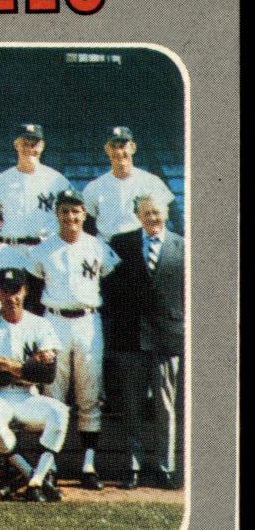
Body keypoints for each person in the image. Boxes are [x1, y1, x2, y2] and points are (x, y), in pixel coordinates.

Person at [26, 189, 120, 490]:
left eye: (76, 211)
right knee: (53, 392)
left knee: (88, 392)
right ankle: (49, 465)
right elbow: (33, 290)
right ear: (57, 214)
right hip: (54, 321)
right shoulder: (42, 250)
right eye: (65, 211)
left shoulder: (98, 246)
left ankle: (88, 464)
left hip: (88, 321)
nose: (70, 217)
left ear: (84, 214)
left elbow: (112, 283)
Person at [0, 268, 68, 503]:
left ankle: (35, 481)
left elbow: (48, 374)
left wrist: (6, 364)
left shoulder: (40, 324)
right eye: (6, 291)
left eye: (16, 290)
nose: (12, 297)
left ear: (25, 291)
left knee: (60, 412)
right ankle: (32, 476)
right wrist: (28, 367)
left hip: (27, 395)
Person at [103, 195, 184, 489]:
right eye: (147, 213)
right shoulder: (121, 244)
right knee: (132, 405)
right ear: (137, 215)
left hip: (167, 337)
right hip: (130, 337)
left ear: (166, 214)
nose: (153, 218)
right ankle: (133, 466)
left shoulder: (183, 247)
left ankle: (165, 467)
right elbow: (110, 289)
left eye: (157, 213)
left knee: (165, 406)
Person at [0, 124, 70, 250]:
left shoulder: (58, 181)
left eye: (34, 144)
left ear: (42, 146)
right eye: (25, 144)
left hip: (46, 248)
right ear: (16, 145)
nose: (29, 149)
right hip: (9, 249)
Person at [82, 126, 176, 242]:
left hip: (142, 246)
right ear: (107, 149)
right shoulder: (94, 187)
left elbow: (172, 216)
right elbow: (86, 227)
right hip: (108, 248)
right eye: (113, 146)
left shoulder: (152, 182)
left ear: (133, 148)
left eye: (123, 146)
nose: (118, 152)